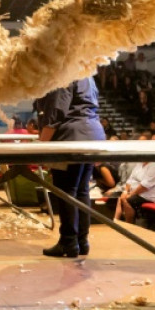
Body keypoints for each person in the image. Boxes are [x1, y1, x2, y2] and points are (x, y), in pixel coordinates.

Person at [36, 77, 106, 257]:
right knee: (81, 190)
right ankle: (82, 241)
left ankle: (68, 241)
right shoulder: (88, 75)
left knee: (66, 191)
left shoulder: (66, 73)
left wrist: (41, 146)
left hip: (71, 136)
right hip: (91, 134)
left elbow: (56, 111)